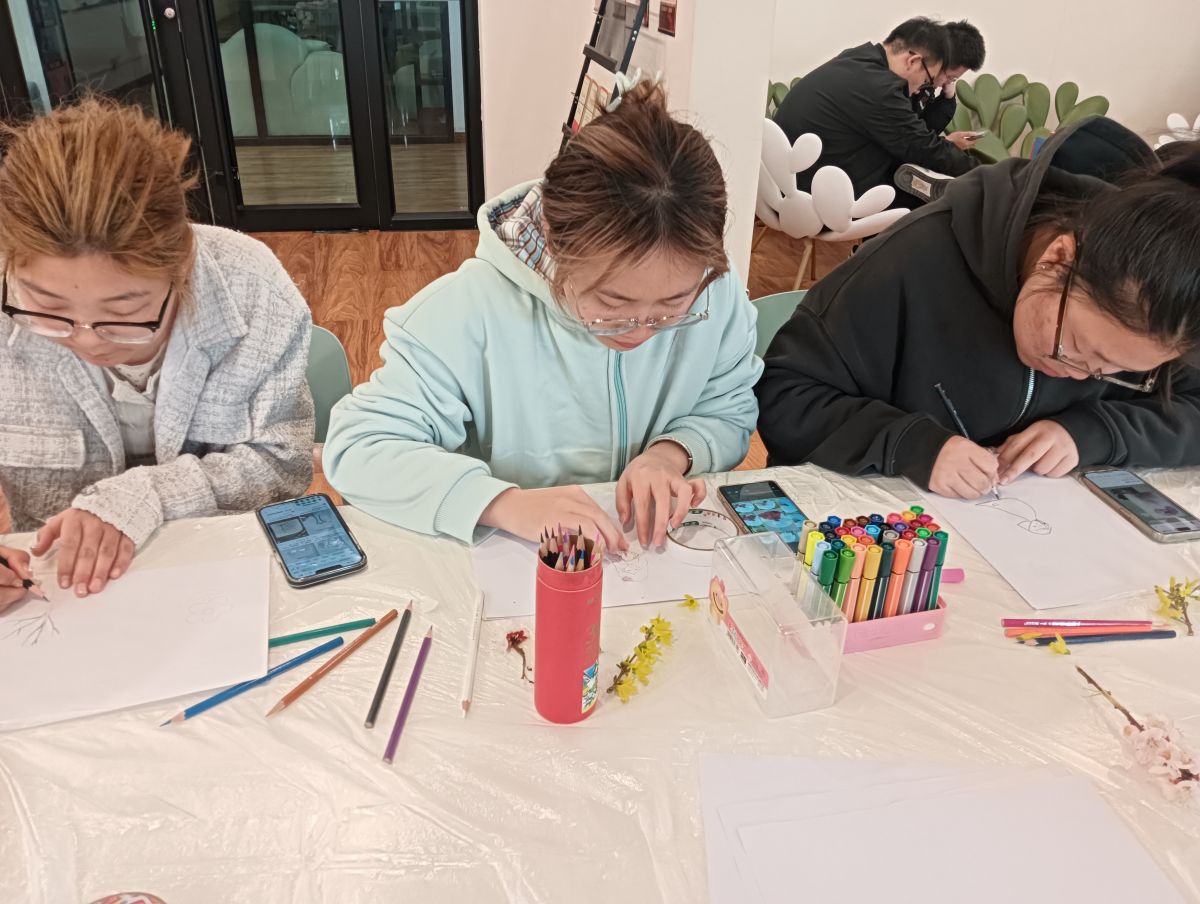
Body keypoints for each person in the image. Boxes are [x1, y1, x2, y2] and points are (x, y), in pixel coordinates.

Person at [323, 80, 761, 550]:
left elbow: (730, 408)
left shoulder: (716, 292)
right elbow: (359, 448)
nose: (642, 330)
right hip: (513, 558)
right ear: (553, 239)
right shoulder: (465, 312)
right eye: (613, 303)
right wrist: (502, 503)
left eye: (673, 306)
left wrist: (671, 454)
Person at [754, 117, 1200, 499]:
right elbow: (786, 395)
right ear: (1058, 258)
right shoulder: (912, 262)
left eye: (1117, 372)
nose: (1081, 375)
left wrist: (1098, 432)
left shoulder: (1169, 312)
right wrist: (911, 445)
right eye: (1078, 347)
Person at [0, 98, 315, 600]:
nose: (87, 339)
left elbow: (281, 466)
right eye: (47, 307)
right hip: (52, 592)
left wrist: (146, 494)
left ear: (182, 264)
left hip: (221, 576)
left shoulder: (253, 289)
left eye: (124, 313)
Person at [773, 17, 981, 204]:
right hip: (813, 198)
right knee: (934, 204)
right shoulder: (880, 90)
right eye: (927, 80)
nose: (922, 88)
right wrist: (985, 174)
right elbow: (922, 146)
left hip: (789, 182)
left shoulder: (858, 58)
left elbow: (913, 136)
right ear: (913, 61)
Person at [912, 20, 986, 135]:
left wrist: (947, 100)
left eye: (953, 80)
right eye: (950, 77)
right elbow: (907, 139)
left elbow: (926, 129)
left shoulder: (928, 86)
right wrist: (947, 141)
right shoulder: (905, 84)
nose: (946, 83)